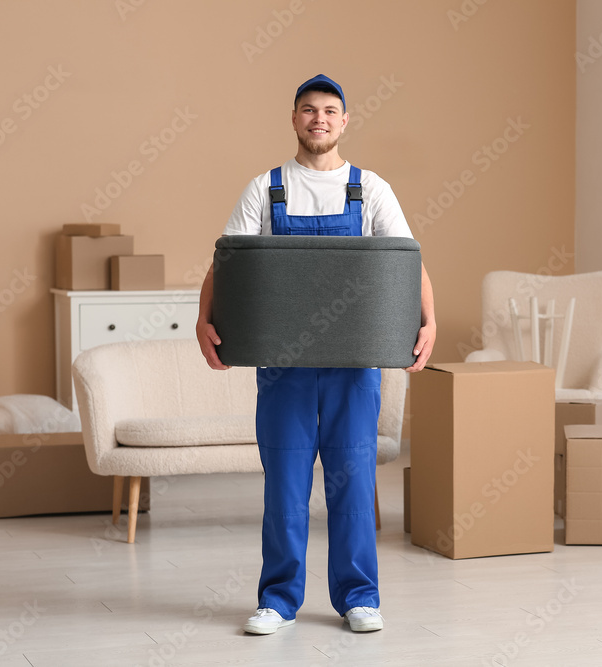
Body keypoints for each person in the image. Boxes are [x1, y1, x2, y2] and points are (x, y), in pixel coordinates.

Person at [195, 74, 436, 635]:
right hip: (284, 367)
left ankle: (360, 597)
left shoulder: (369, 189)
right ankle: (278, 600)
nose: (319, 119)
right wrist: (204, 322)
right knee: (285, 481)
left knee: (351, 479)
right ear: (295, 119)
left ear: (344, 121)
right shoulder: (266, 188)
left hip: (355, 365)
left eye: (330, 110)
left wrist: (430, 321)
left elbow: (407, 261)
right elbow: (225, 262)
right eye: (308, 110)